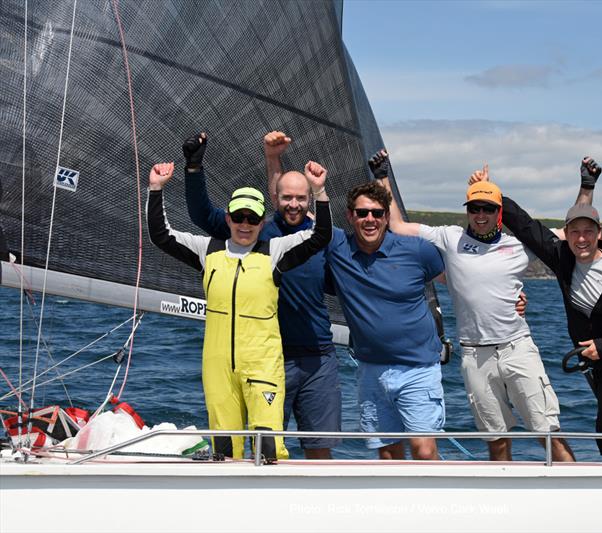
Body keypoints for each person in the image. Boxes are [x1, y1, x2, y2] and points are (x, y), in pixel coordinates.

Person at [368, 151, 575, 462]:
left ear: (499, 212)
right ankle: (503, 500)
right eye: (475, 208)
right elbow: (397, 226)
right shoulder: (450, 238)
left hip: (517, 348)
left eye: (488, 208)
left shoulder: (519, 246)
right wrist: (382, 175)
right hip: (475, 355)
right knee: (496, 439)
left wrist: (587, 188)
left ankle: (574, 493)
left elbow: (576, 235)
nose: (481, 214)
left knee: (547, 431)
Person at [473, 158, 602, 461]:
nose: (581, 239)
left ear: (599, 232)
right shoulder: (563, 259)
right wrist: (492, 194)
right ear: (567, 234)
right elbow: (528, 228)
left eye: (588, 232)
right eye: (575, 232)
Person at [146, 150, 332, 461]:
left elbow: (320, 235)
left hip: (263, 366)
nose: (245, 224)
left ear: (262, 221)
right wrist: (156, 188)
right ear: (229, 218)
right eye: (239, 217)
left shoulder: (275, 251)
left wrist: (320, 191)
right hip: (218, 368)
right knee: (223, 450)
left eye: (253, 218)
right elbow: (161, 236)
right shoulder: (208, 250)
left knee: (268, 448)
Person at [321, 177, 445, 460]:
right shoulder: (338, 249)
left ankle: (440, 504)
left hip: (419, 368)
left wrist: (510, 298)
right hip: (371, 370)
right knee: (388, 454)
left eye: (377, 213)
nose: (370, 219)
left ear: (387, 217)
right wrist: (275, 160)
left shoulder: (417, 250)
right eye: (362, 213)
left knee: (424, 452)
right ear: (350, 216)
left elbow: (458, 279)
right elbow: (293, 209)